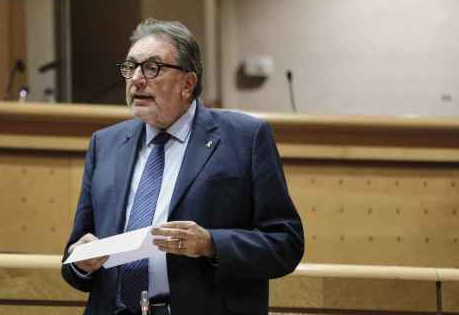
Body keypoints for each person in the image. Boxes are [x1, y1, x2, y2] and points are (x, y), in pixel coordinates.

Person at [61, 18, 304, 315]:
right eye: (130, 67)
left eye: (152, 68)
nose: (136, 78)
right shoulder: (106, 144)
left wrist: (211, 244)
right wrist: (81, 261)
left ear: (188, 83)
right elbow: (75, 254)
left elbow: (286, 243)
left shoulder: (245, 138)